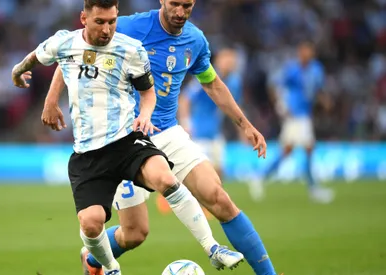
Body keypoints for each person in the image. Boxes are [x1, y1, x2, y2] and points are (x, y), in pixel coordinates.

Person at [43, 1, 278, 275]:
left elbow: (211, 83)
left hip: (168, 132)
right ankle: (93, 259)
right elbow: (75, 51)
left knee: (219, 198)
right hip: (123, 139)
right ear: (162, 1)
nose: (180, 11)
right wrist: (51, 99)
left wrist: (245, 124)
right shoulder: (131, 26)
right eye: (175, 4)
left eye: (187, 5)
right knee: (135, 233)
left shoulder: (195, 40)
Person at [156, 47, 244, 217]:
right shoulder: (206, 78)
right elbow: (185, 99)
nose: (229, 63)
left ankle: (210, 203)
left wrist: (242, 128)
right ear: (219, 60)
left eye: (232, 60)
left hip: (215, 132)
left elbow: (234, 106)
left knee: (219, 170)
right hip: (199, 131)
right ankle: (169, 197)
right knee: (195, 172)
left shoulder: (234, 82)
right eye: (226, 58)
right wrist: (186, 122)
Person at [249, 41, 335, 204]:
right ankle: (313, 188)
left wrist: (325, 101)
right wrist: (280, 105)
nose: (305, 54)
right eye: (303, 51)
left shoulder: (316, 69)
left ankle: (260, 177)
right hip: (295, 115)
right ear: (299, 52)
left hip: (304, 115)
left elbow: (317, 90)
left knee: (288, 151)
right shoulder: (292, 69)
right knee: (307, 148)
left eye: (308, 51)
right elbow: (275, 85)